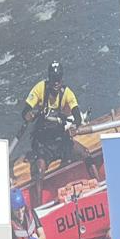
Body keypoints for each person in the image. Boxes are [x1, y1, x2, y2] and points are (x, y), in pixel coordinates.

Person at [18, 60, 87, 195]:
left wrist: (75, 126)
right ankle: (38, 205)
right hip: (43, 143)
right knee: (39, 172)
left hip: (60, 139)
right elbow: (25, 111)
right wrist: (28, 115)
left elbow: (77, 116)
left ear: (62, 79)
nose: (56, 82)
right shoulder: (40, 89)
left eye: (58, 78)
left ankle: (99, 187)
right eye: (53, 79)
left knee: (86, 153)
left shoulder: (67, 93)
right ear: (49, 78)